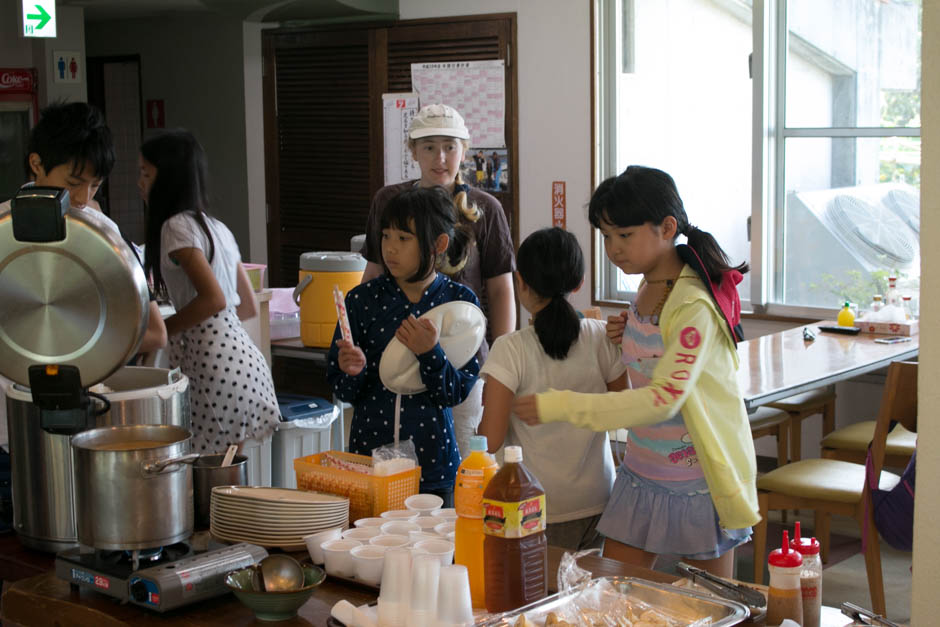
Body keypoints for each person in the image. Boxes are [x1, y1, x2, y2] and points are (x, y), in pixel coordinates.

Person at [514, 166, 759, 578]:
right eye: (606, 237)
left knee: (714, 604)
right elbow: (652, 356)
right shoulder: (648, 288)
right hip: (642, 470)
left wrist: (561, 405)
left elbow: (663, 398)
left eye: (624, 235)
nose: (613, 248)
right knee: (613, 596)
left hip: (697, 478)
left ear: (667, 227)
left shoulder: (692, 304)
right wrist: (629, 333)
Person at [360, 104, 516, 459]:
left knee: (463, 463)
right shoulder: (389, 200)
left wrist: (501, 367)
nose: (440, 157)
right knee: (393, 465)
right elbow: (372, 274)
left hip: (464, 363)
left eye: (449, 146)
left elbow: (501, 290)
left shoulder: (486, 208)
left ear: (465, 149)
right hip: (395, 357)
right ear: (412, 151)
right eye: (428, 146)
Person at [329, 186, 481, 505]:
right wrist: (350, 371)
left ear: (438, 244)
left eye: (403, 238)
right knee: (368, 552)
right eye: (386, 236)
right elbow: (342, 391)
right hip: (368, 465)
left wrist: (431, 353)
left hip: (433, 470)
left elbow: (454, 392)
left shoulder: (460, 304)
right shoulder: (361, 300)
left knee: (431, 553)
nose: (390, 249)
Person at [477, 227, 626, 550]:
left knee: (538, 595)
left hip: (534, 506)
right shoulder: (601, 337)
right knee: (585, 595)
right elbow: (623, 411)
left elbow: (490, 439)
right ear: (579, 283)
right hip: (599, 500)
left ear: (521, 283)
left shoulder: (511, 348)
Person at [139, 129, 279, 454]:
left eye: (145, 173)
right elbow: (245, 306)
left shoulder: (175, 227)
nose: (139, 182)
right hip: (244, 362)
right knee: (225, 476)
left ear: (168, 177)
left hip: (214, 367)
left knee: (209, 480)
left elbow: (213, 298)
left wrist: (164, 330)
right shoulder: (215, 226)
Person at [5, 101, 165, 354]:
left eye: (95, 185)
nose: (83, 197)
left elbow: (155, 333)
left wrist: (78, 351)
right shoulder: (4, 225)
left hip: (85, 382)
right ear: (36, 164)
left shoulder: (105, 234)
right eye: (73, 183)